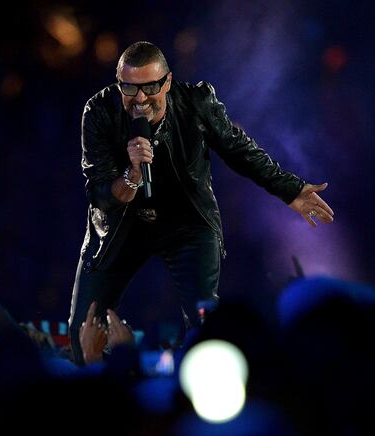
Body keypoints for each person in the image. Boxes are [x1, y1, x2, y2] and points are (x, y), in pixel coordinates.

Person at [68, 41, 334, 365]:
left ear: (167, 82)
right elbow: (101, 196)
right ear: (118, 82)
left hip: (187, 222)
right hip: (121, 226)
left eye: (150, 87)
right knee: (83, 331)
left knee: (205, 323)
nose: (139, 98)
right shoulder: (98, 112)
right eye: (129, 87)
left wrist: (290, 189)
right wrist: (134, 173)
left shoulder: (196, 103)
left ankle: (201, 391)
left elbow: (239, 150)